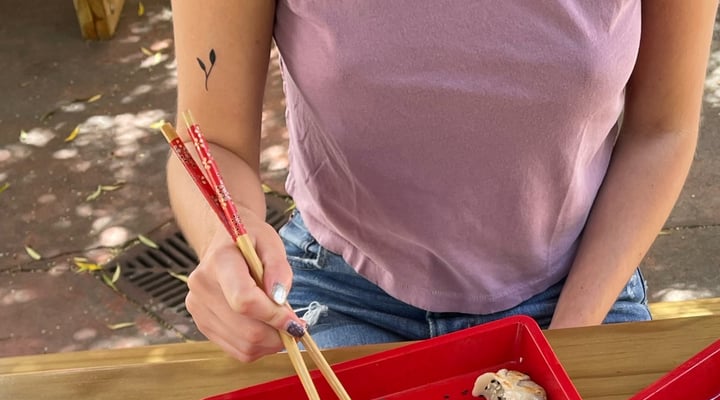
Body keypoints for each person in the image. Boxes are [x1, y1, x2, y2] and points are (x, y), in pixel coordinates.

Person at [167, 1, 718, 363]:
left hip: (580, 287)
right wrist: (227, 240)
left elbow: (661, 129)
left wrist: (569, 339)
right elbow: (208, 140)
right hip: (339, 291)